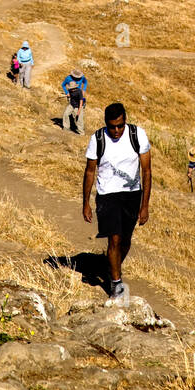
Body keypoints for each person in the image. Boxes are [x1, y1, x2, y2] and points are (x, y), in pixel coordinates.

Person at [83, 102, 151, 299]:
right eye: (112, 126)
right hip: (107, 195)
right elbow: (89, 171)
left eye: (120, 126)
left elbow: (146, 171)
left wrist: (145, 206)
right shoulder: (97, 139)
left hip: (132, 195)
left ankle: (112, 268)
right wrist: (86, 203)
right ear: (106, 123)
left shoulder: (137, 135)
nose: (116, 130)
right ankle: (116, 285)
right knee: (114, 238)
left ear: (125, 122)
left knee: (126, 240)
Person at [62, 68, 87, 134]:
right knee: (66, 113)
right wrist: (67, 92)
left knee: (79, 117)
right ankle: (66, 128)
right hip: (72, 100)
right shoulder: (68, 79)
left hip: (79, 99)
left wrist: (83, 90)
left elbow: (85, 82)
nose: (78, 79)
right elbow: (63, 85)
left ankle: (81, 131)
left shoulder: (82, 78)